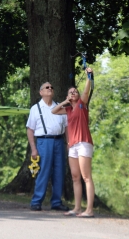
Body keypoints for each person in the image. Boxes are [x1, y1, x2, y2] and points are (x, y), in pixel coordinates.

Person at [51, 67, 95, 218]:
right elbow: (54, 111)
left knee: (86, 177)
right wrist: (65, 101)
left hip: (84, 143)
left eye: (75, 91)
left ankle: (89, 209)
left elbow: (86, 91)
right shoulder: (68, 110)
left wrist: (89, 76)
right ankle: (77, 208)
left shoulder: (82, 105)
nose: (73, 93)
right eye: (70, 92)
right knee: (75, 177)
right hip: (73, 145)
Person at [26, 82, 69, 211]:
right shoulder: (36, 108)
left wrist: (68, 143)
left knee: (59, 172)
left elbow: (66, 127)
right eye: (47, 87)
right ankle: (36, 201)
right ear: (41, 92)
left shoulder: (60, 107)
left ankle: (56, 202)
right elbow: (30, 129)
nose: (50, 89)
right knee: (43, 170)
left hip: (59, 141)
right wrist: (33, 148)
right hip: (44, 141)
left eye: (51, 87)